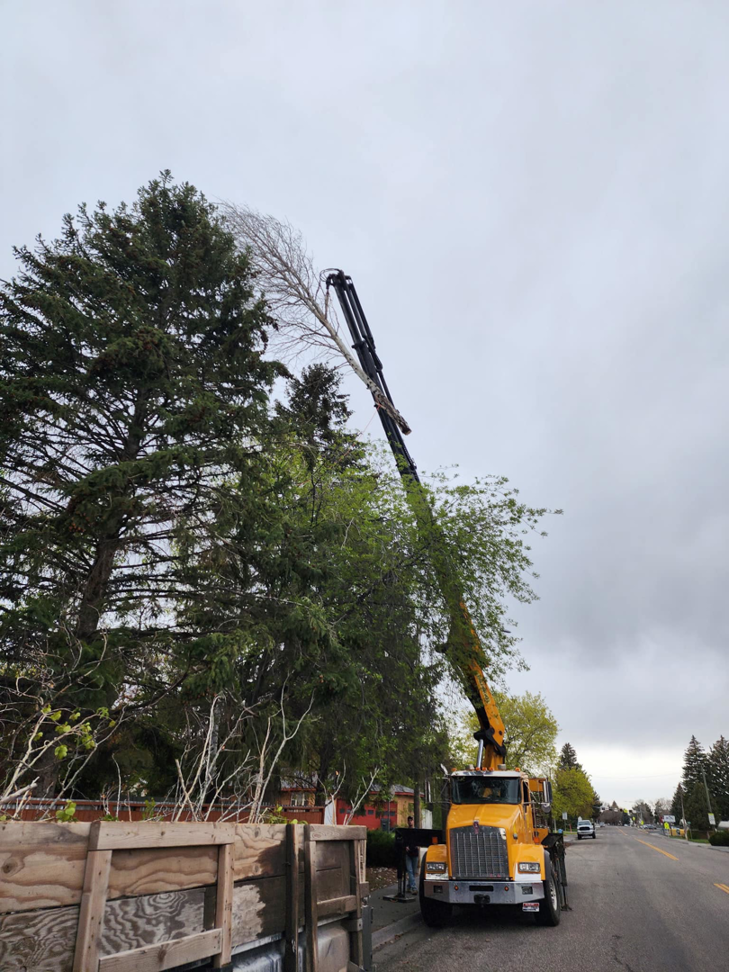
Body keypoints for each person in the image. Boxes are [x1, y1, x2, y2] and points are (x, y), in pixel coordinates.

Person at [404, 815, 419, 893]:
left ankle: (409, 886)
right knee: (410, 870)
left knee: (413, 871)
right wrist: (406, 846)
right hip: (408, 854)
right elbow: (404, 841)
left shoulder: (416, 831)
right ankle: (413, 887)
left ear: (413, 821)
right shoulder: (406, 832)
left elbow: (418, 841)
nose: (410, 822)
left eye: (411, 820)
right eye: (409, 820)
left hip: (415, 853)